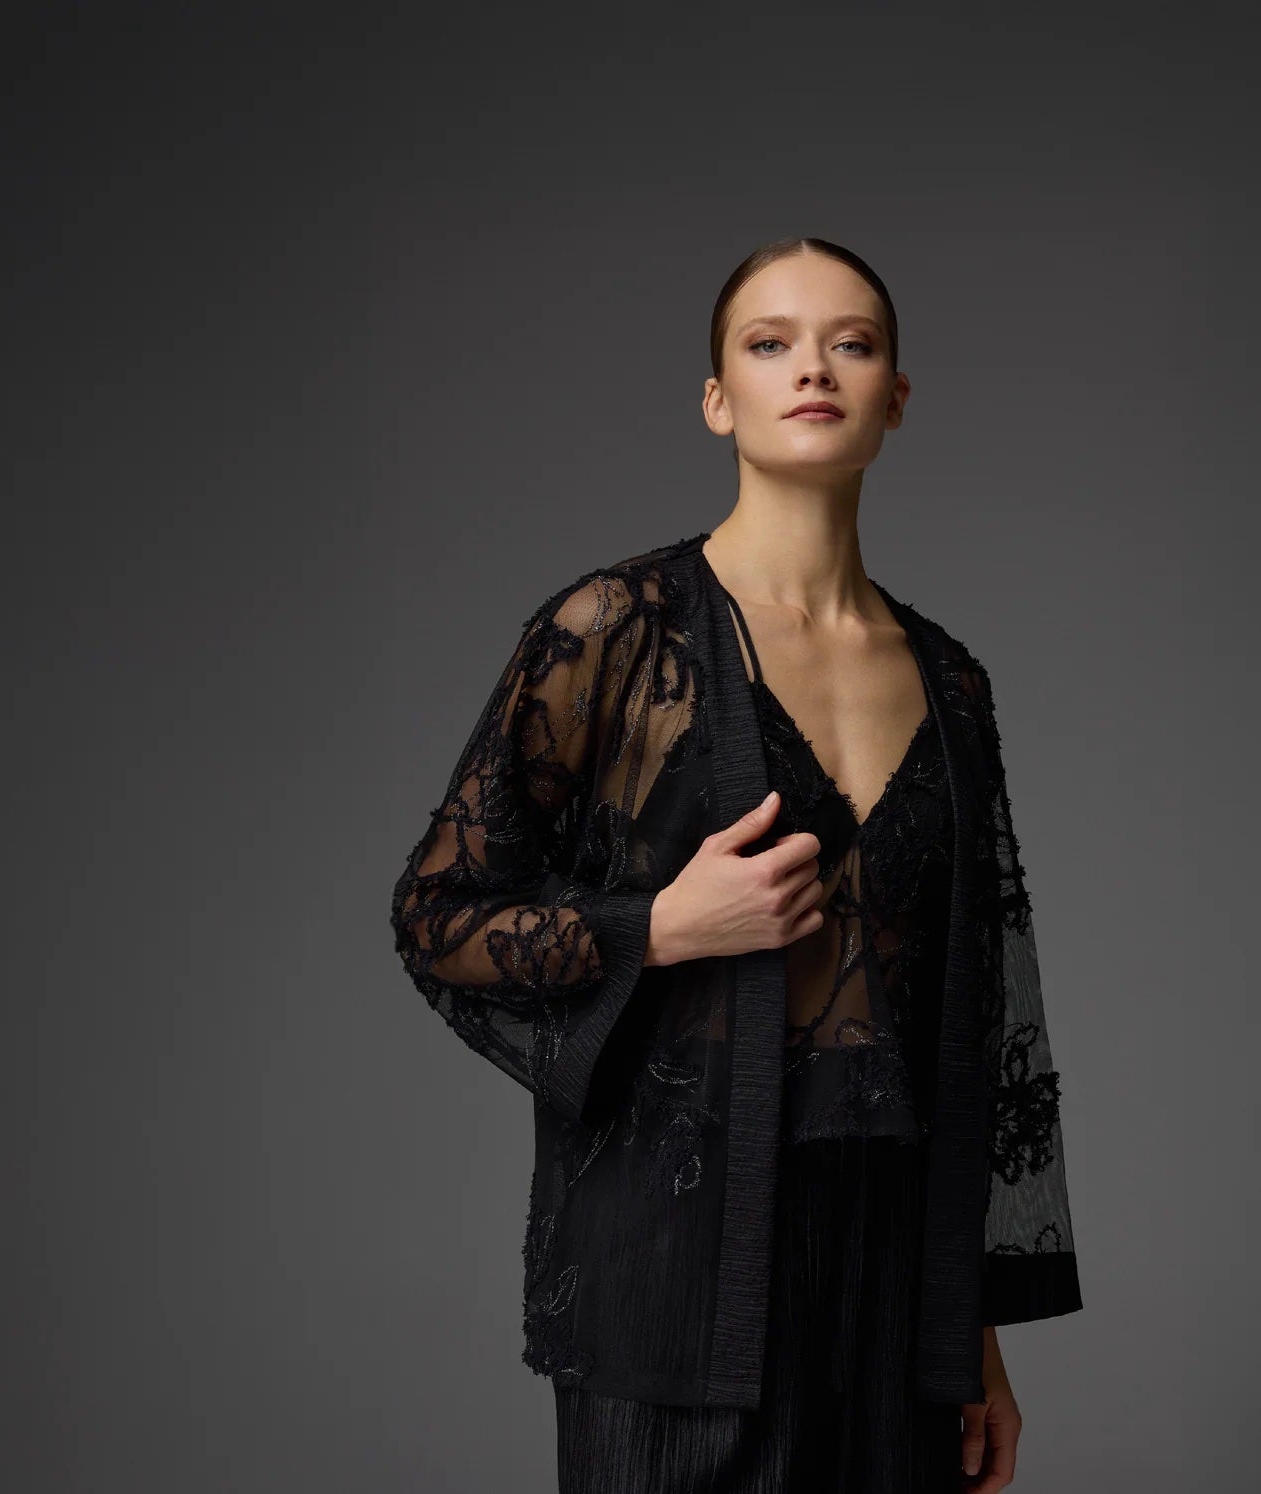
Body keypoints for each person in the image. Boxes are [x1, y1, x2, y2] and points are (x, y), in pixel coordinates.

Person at [391, 237, 1082, 1493]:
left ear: (894, 397)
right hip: (679, 1274)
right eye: (771, 344)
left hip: (894, 1285)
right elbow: (437, 914)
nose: (812, 368)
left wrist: (972, 1334)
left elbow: (969, 1018)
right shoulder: (616, 630)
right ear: (719, 400)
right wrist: (657, 927)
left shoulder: (951, 681)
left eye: (850, 343)